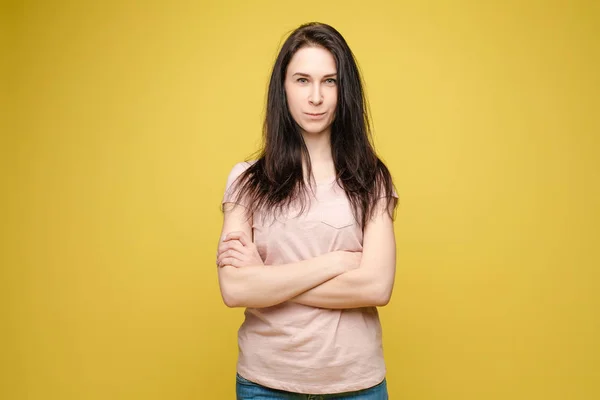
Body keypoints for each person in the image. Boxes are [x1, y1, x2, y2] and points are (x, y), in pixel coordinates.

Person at [216, 22, 398, 400]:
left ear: (343, 90)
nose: (316, 96)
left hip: (356, 385)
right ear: (283, 88)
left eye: (329, 81)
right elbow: (234, 288)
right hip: (266, 385)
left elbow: (376, 286)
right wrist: (336, 262)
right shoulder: (246, 180)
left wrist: (266, 280)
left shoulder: (372, 178)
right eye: (302, 80)